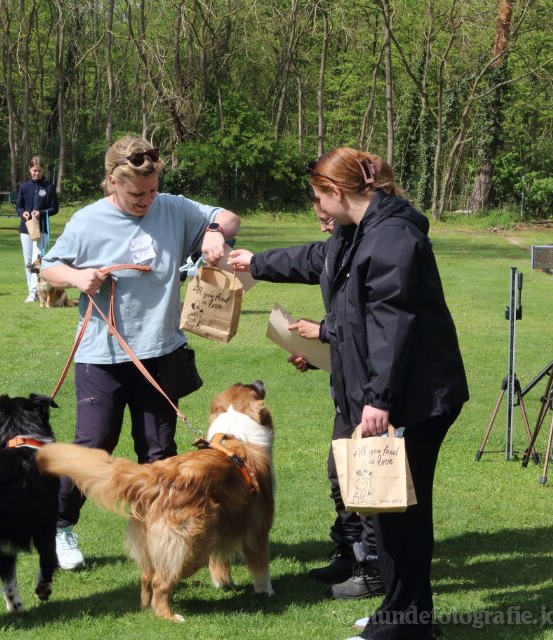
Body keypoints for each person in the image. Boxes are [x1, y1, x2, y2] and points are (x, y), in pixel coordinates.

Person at [228, 147, 468, 640]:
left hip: (416, 397)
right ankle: (404, 616)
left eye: (318, 198)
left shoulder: (392, 237)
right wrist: (256, 263)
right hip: (391, 393)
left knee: (402, 514)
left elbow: (392, 325)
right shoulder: (355, 233)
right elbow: (317, 259)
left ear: (337, 192)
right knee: (389, 512)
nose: (316, 208)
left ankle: (404, 623)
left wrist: (379, 400)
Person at [39, 135, 240, 570]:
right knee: (95, 444)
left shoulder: (172, 207)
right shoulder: (87, 221)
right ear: (113, 182)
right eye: (137, 194)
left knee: (159, 450)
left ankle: (161, 532)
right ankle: (59, 527)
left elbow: (227, 217)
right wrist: (77, 278)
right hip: (102, 355)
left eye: (152, 190)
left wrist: (213, 232)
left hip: (161, 352)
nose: (147, 200)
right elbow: (49, 266)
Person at [286, 202, 385, 600]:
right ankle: (348, 551)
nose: (325, 227)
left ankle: (374, 566)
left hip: (376, 393)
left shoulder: (378, 242)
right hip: (350, 389)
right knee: (339, 473)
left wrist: (324, 330)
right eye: (319, 220)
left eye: (328, 219)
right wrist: (315, 356)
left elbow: (373, 324)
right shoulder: (341, 244)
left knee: (369, 479)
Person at [16, 156, 59, 303]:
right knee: (28, 260)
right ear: (30, 169)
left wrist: (42, 212)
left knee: (38, 260)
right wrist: (23, 213)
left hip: (42, 228)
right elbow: (19, 206)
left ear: (43, 170)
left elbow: (54, 208)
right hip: (26, 228)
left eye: (39, 171)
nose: (37, 173)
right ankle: (32, 291)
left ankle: (38, 291)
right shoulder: (24, 187)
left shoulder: (49, 187)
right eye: (34, 170)